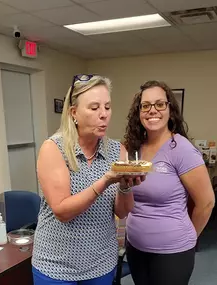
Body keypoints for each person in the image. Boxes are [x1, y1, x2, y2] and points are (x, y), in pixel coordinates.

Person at [32, 74, 145, 285]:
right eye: (94, 108)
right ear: (74, 113)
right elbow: (62, 211)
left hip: (101, 262)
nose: (104, 115)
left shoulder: (117, 151)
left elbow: (122, 211)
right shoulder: (54, 149)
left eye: (107, 107)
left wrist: (125, 186)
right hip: (56, 266)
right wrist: (105, 181)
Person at [124, 80, 215, 285]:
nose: (152, 110)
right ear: (138, 112)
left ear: (170, 109)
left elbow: (206, 202)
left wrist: (190, 238)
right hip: (136, 247)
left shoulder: (181, 150)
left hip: (172, 252)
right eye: (145, 105)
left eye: (159, 104)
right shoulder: (135, 149)